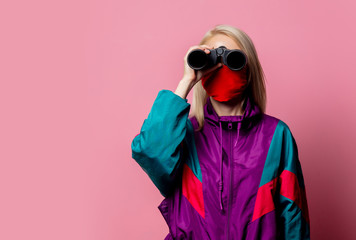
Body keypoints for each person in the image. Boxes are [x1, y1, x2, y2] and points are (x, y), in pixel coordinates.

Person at [131, 24, 310, 240]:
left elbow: (293, 217)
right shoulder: (183, 134)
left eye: (232, 59)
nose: (222, 67)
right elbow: (149, 151)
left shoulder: (276, 135)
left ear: (248, 68)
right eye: (213, 59)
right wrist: (186, 81)